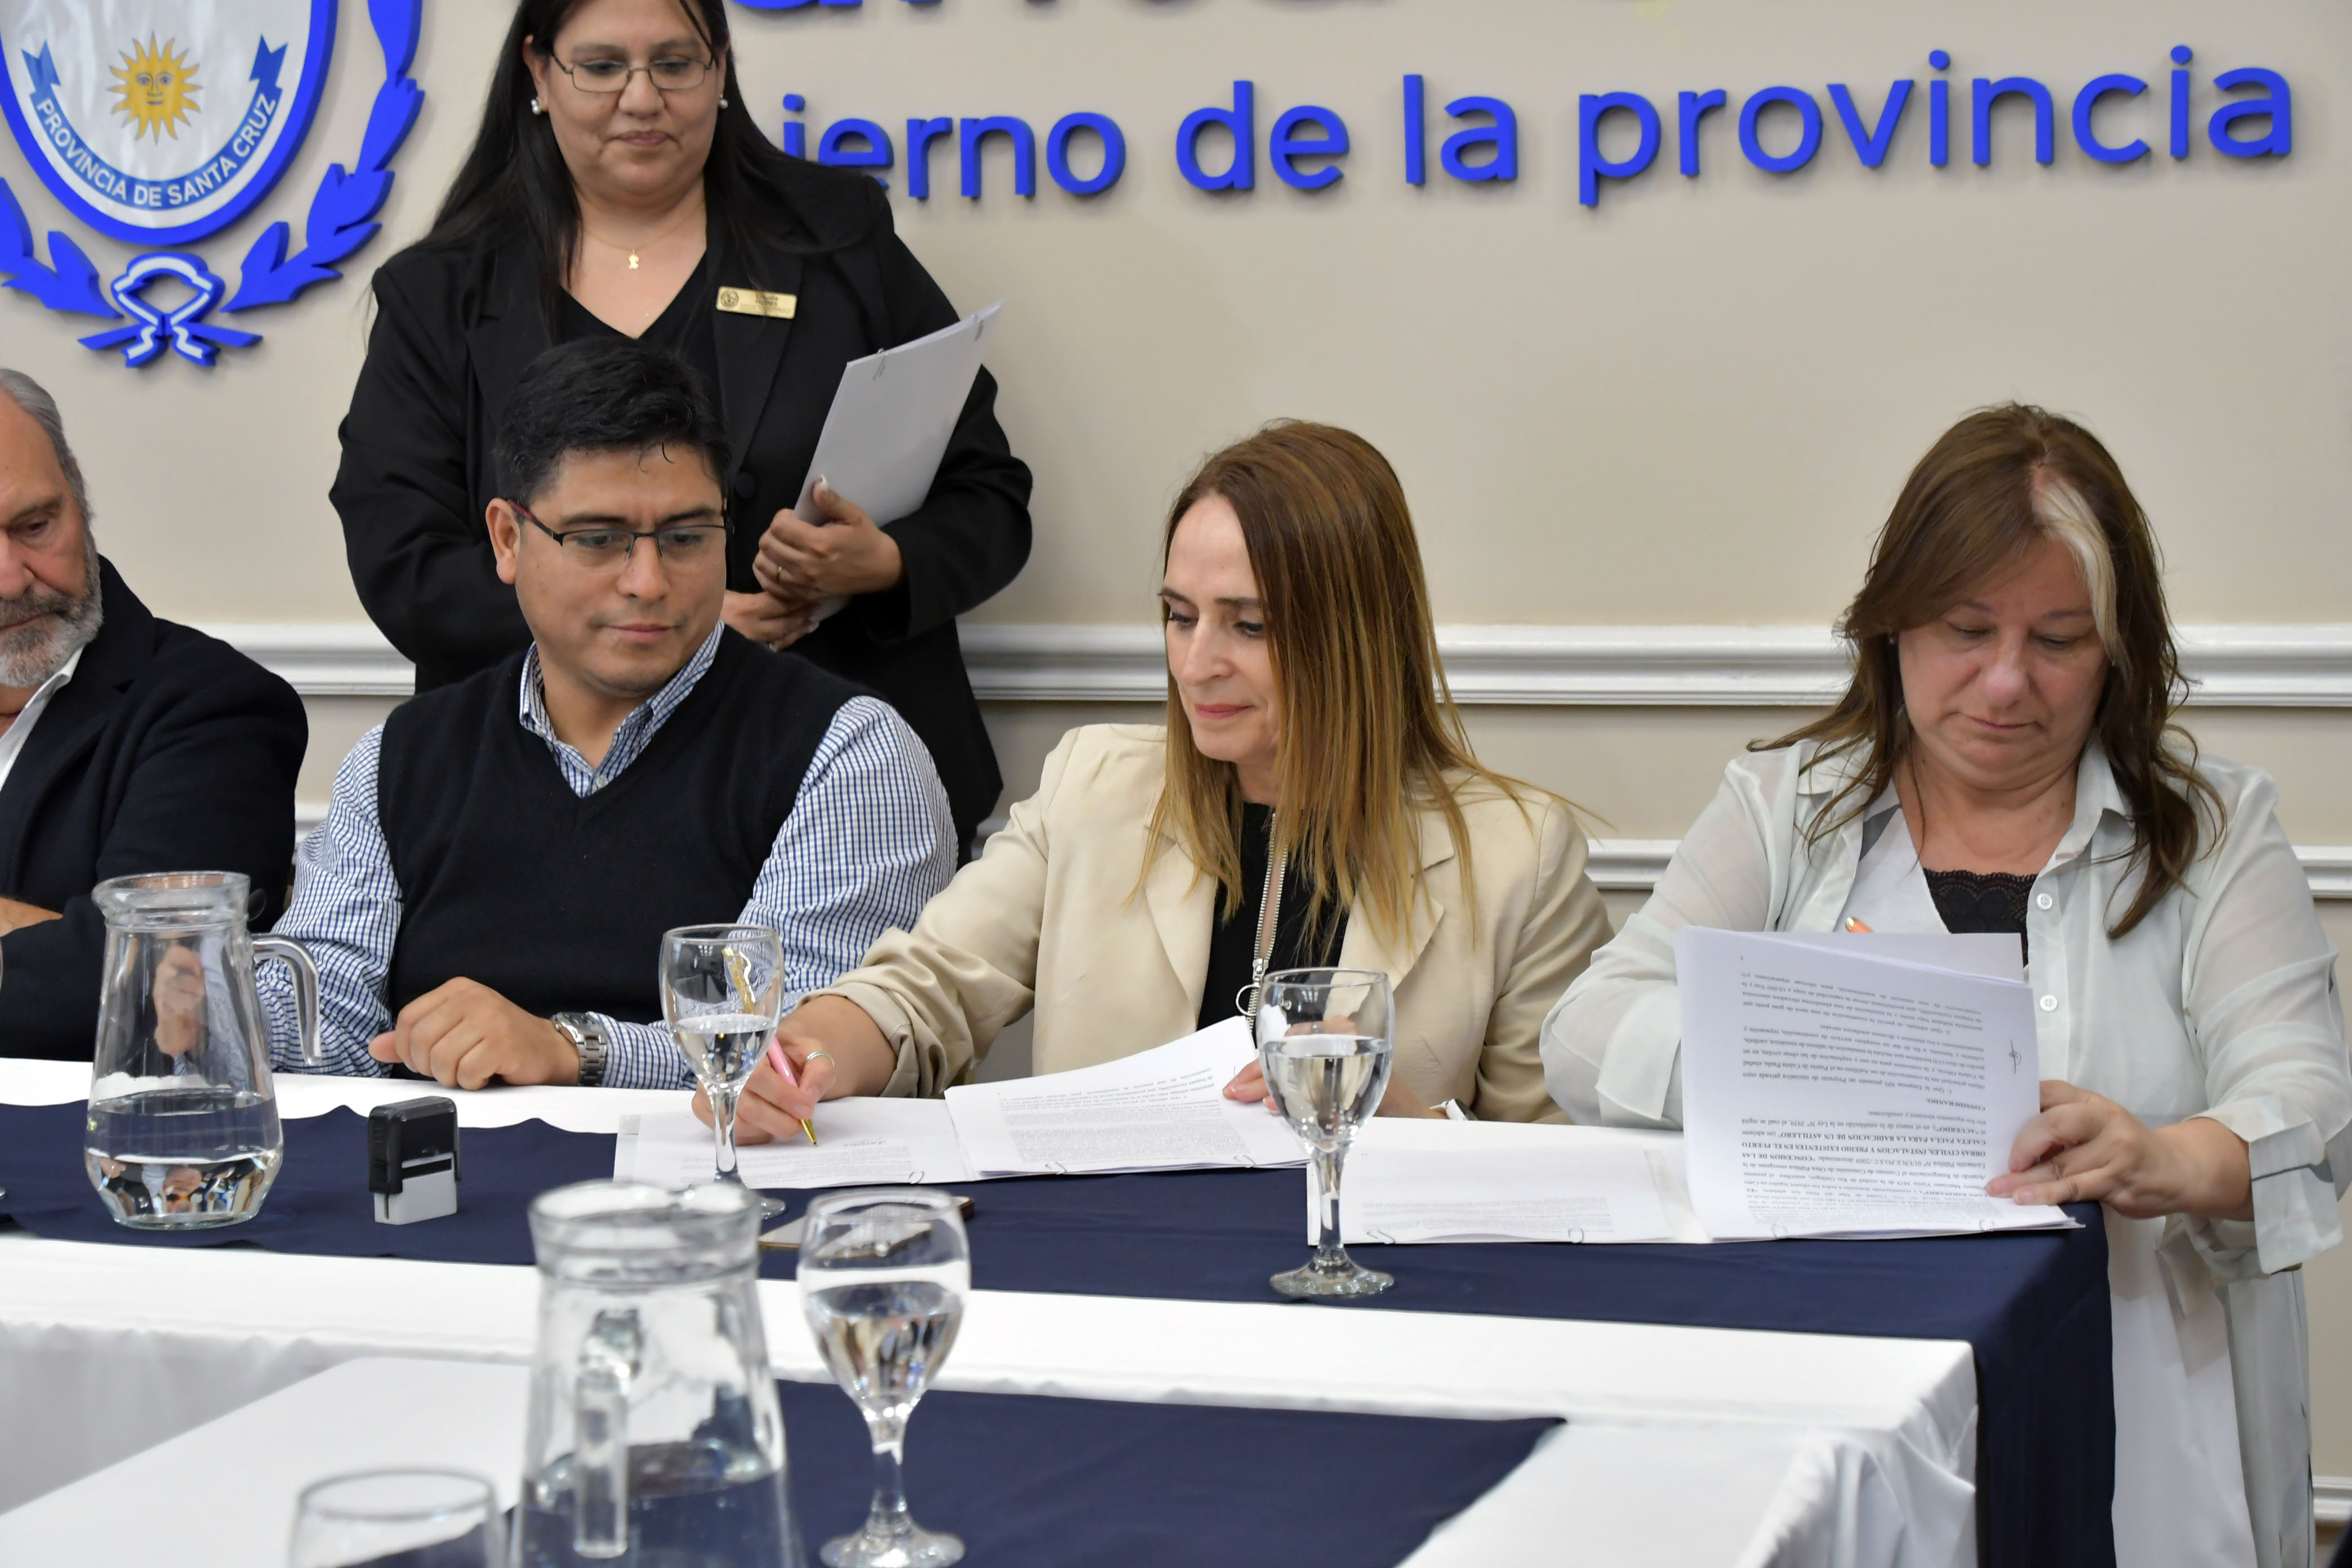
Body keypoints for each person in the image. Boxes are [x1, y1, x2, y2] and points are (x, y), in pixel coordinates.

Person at [1543, 404, 2351, 1568]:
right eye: (1966, 629)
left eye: (2061, 640)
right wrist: (1830, 1065)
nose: (2007, 683)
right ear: (1892, 630)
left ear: (2119, 651)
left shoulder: (2216, 834)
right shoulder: (1787, 808)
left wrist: (2168, 1158)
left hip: (2143, 1412)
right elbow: (1587, 1033)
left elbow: (2311, 1110)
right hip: (1832, 1395)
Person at [707, 421, 1614, 1133]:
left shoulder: (1516, 855)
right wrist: (807, 1054)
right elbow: (925, 989)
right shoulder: (1094, 784)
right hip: (1121, 1272)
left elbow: (1559, 1166)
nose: (1197, 664)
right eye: (1180, 617)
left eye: (1248, 626)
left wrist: (1406, 1120)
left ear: (1357, 637)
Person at [331, 0, 1032, 856]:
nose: (641, 98)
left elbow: (992, 499)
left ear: (722, 69)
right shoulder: (442, 294)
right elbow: (403, 564)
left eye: (674, 63)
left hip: (836, 790)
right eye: (601, 66)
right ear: (539, 74)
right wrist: (676, 629)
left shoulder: (838, 240)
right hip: (540, 807)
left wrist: (881, 563)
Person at [264, 339, 953, 1089]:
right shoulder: (399, 759)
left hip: (734, 1190)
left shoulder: (846, 752)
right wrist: (220, 1006)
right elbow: (324, 1027)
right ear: (507, 539)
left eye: (687, 537)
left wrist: (572, 1050)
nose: (649, 582)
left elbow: (802, 1056)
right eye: (599, 541)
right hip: (453, 1189)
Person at [0, 369, 305, 1059]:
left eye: (35, 525)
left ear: (77, 489)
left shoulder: (218, 706)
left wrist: (90, 952)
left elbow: (141, 982)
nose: (12, 578)